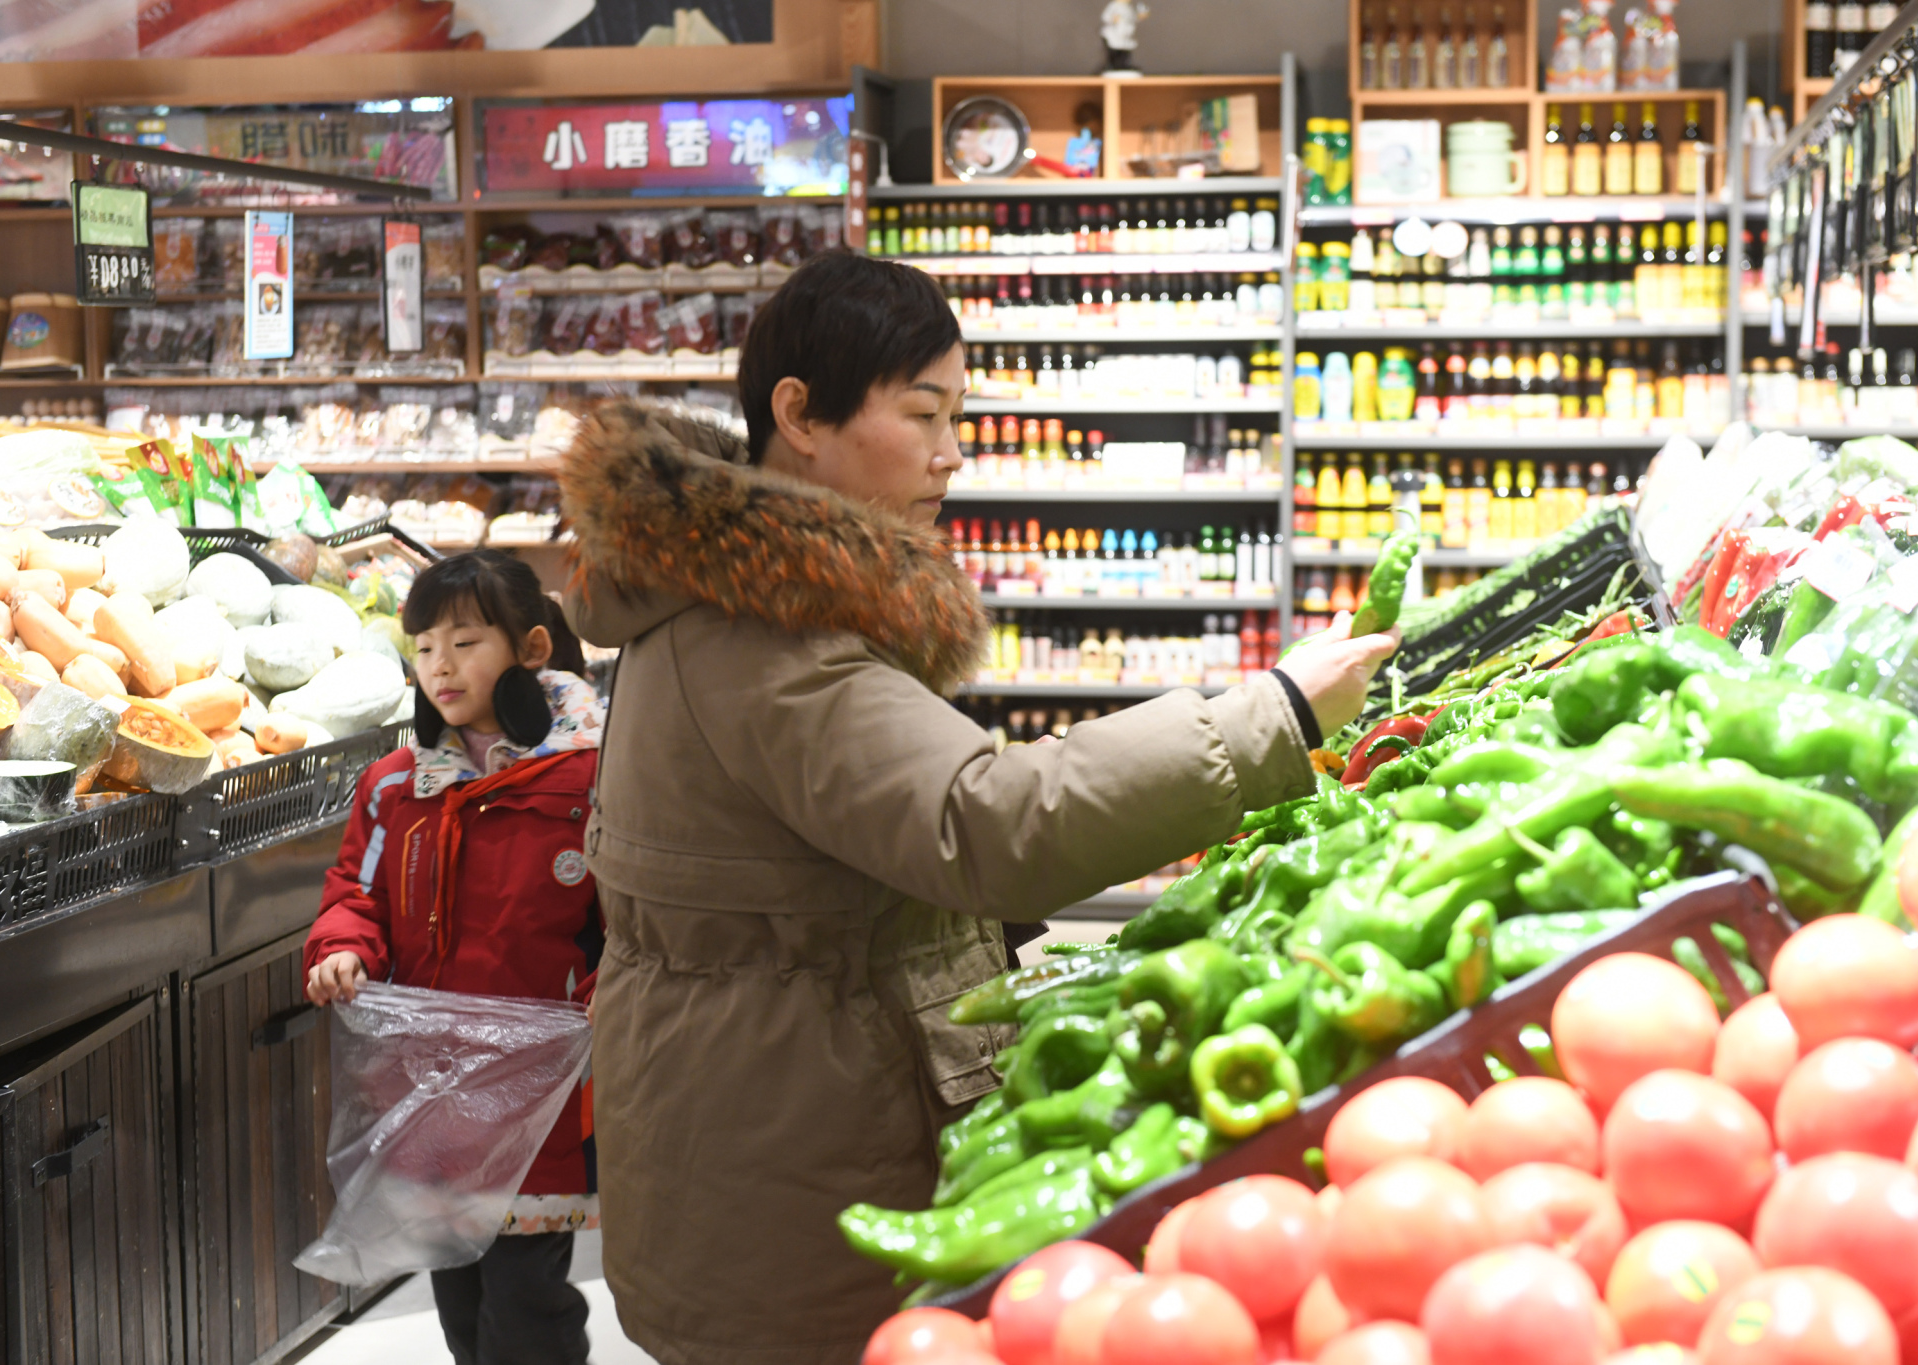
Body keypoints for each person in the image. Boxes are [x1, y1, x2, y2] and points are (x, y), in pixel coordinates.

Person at [560, 250, 1397, 1365]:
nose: (951, 451)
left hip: (754, 1107)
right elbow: (983, 823)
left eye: (958, 414)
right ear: (798, 415)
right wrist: (1271, 714)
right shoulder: (761, 634)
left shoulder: (737, 594)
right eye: (921, 413)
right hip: (785, 1153)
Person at [303, 550, 607, 1365]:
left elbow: (632, 918)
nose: (441, 666)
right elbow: (353, 894)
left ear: (532, 649)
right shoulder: (394, 785)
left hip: (544, 1090)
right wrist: (342, 948)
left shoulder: (593, 777)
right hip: (431, 1085)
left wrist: (617, 991)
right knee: (458, 1288)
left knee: (525, 1296)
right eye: (425, 647)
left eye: (466, 642)